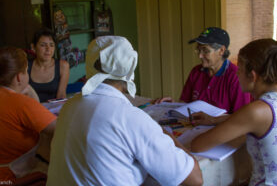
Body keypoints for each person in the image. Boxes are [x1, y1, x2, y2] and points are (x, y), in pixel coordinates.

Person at [47, 36, 203, 186]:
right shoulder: (130, 117)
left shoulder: (70, 105)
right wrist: (166, 135)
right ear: (130, 70)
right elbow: (195, 178)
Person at [191, 39, 277, 186]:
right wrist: (215, 120)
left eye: (239, 69)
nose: (237, 73)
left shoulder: (257, 111)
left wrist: (169, 137)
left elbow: (198, 145)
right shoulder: (276, 102)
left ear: (252, 76)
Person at [0, 47, 57, 183]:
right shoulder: (21, 104)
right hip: (6, 179)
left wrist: (27, 89)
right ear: (19, 76)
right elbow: (61, 129)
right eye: (26, 70)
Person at [155, 27, 251, 125]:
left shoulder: (236, 76)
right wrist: (173, 105)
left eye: (205, 50)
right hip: (194, 128)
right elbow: (186, 104)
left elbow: (243, 118)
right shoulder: (196, 71)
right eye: (198, 50)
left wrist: (213, 120)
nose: (200, 56)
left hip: (221, 131)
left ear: (221, 50)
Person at [28, 28, 69, 102]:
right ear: (33, 47)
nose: (48, 49)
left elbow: (61, 96)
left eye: (51, 45)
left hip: (54, 111)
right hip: (31, 110)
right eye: (43, 45)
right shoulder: (25, 66)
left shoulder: (63, 66)